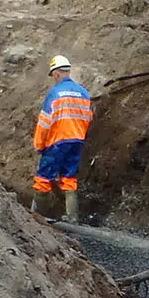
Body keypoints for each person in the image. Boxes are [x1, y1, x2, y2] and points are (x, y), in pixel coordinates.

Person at [32, 54, 91, 221]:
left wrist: (39, 144)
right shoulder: (84, 93)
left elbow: (44, 122)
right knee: (69, 178)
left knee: (43, 178)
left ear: (57, 73)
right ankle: (73, 219)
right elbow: (88, 119)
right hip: (77, 140)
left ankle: (37, 219)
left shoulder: (55, 93)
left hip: (57, 141)